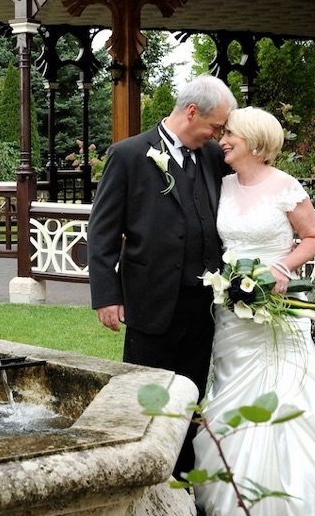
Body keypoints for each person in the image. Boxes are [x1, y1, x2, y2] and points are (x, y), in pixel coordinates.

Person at [193, 106, 315, 516]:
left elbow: (313, 236)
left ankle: (297, 496)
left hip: (277, 308)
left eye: (231, 133)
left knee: (288, 390)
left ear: (253, 141)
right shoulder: (223, 185)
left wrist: (281, 269)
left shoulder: (285, 187)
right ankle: (235, 490)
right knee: (231, 390)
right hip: (232, 312)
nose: (223, 139)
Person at [87, 74, 237, 476]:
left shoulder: (209, 156)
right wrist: (106, 295)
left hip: (202, 303)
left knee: (191, 393)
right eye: (215, 126)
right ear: (192, 112)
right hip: (150, 298)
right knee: (148, 393)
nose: (218, 136)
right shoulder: (130, 155)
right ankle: (144, 478)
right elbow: (101, 231)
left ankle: (184, 480)